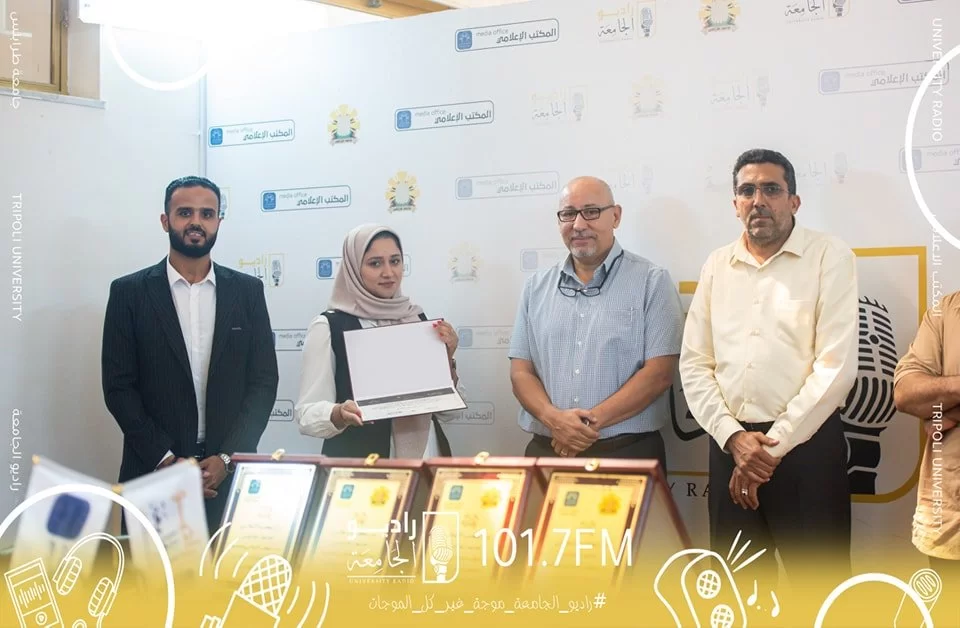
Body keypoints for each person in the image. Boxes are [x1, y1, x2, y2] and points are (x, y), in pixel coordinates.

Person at [678, 148, 858, 618]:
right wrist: (735, 439)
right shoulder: (717, 264)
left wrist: (769, 449)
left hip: (806, 451)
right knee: (737, 597)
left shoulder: (829, 256)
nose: (758, 200)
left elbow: (836, 367)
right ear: (735, 203)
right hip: (730, 448)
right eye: (747, 190)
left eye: (771, 189)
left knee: (821, 599)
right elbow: (695, 364)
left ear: (794, 201)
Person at [101, 176, 279, 534]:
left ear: (218, 222)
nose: (196, 222)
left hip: (228, 477)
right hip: (153, 474)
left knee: (227, 570)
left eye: (207, 214)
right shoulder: (128, 293)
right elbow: (118, 387)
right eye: (185, 213)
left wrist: (227, 458)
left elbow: (263, 383)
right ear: (165, 221)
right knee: (151, 573)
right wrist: (166, 460)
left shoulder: (247, 292)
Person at [507, 176, 682, 469]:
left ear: (616, 216)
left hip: (627, 454)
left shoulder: (652, 282)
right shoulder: (536, 287)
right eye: (568, 214)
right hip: (549, 451)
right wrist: (555, 421)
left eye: (591, 211)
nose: (578, 224)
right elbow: (521, 373)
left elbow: (659, 374)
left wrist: (582, 427)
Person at [296, 224, 462, 458]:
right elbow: (306, 415)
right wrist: (339, 413)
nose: (388, 272)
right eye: (375, 263)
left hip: (427, 456)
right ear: (354, 268)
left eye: (395, 261)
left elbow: (450, 413)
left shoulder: (416, 319)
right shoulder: (329, 326)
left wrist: (447, 359)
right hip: (363, 464)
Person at [894, 289, 960, 625]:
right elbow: (906, 393)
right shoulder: (947, 310)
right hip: (952, 522)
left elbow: (928, 404)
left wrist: (947, 408)